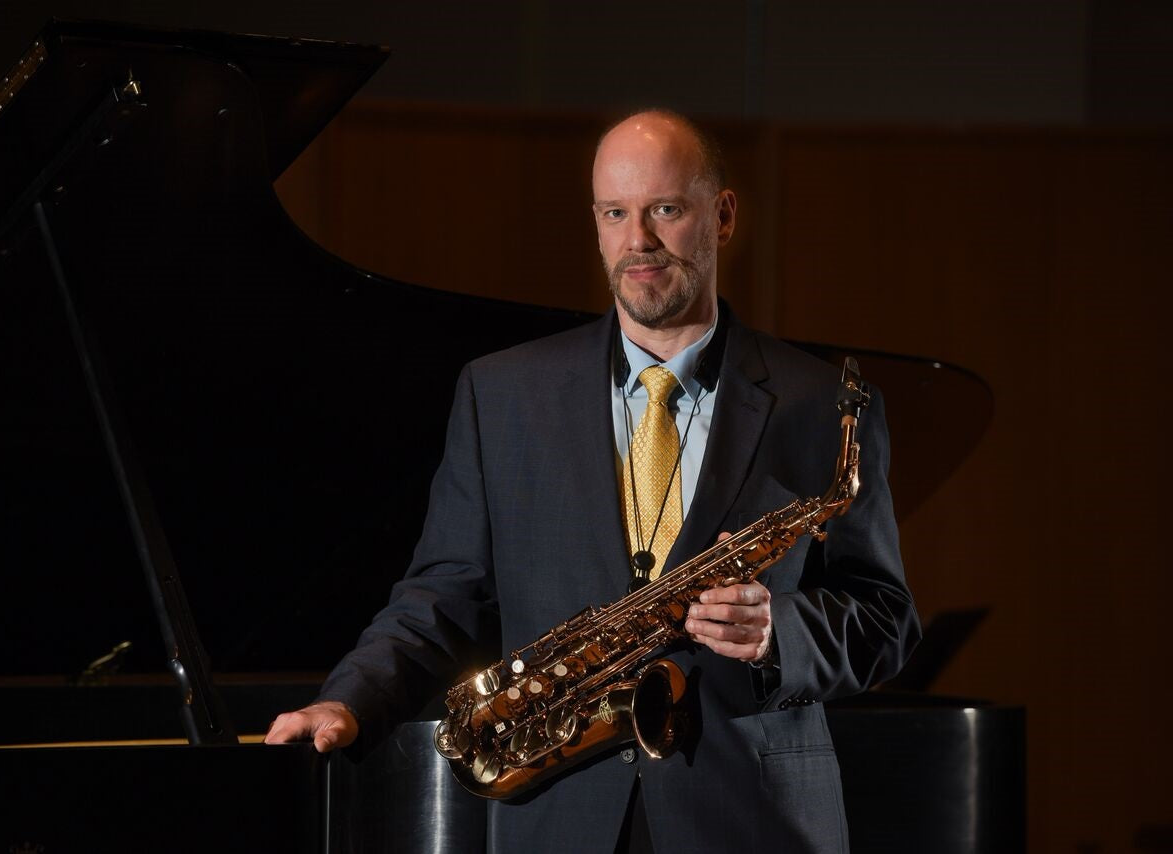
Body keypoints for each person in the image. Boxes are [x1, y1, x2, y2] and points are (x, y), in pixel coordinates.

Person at [267, 110, 920, 853]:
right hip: (558, 815)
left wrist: (782, 635)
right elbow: (440, 595)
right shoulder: (502, 395)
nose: (637, 240)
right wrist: (350, 701)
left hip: (754, 821)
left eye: (665, 210)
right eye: (616, 213)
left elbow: (887, 620)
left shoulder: (821, 404)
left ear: (724, 215)